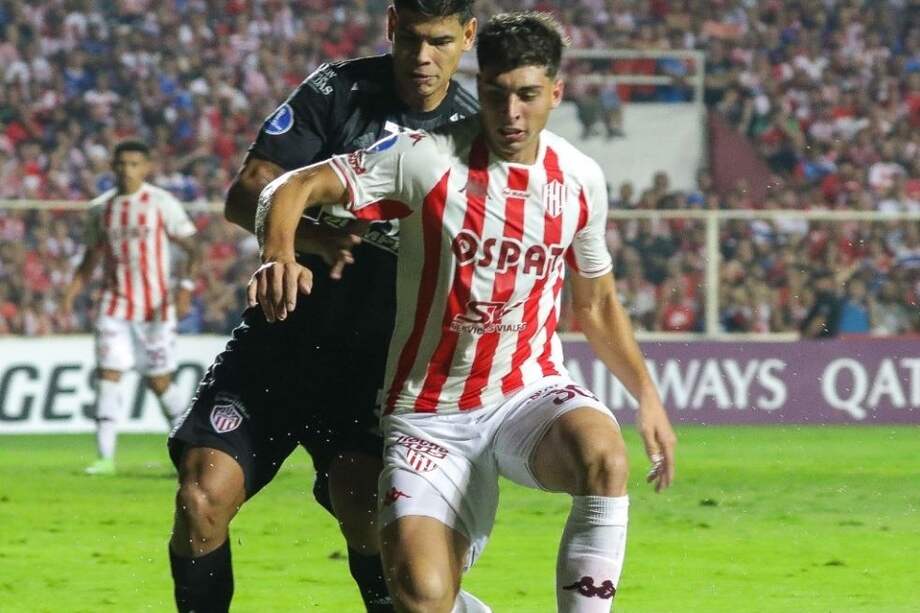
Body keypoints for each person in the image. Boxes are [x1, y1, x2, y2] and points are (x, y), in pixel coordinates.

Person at [253, 12, 677, 612]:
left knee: (605, 456)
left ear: (555, 93)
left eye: (528, 97)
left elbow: (597, 301)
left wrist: (647, 396)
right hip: (430, 414)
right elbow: (289, 187)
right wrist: (278, 253)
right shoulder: (422, 159)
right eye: (498, 95)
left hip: (524, 394)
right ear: (481, 88)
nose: (511, 115)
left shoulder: (580, 179)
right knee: (422, 598)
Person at [166, 2, 479, 611]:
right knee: (201, 497)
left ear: (468, 37)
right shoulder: (338, 89)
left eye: (439, 42)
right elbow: (245, 194)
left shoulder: (474, 135)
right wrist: (311, 237)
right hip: (279, 344)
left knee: (362, 510)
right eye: (410, 40)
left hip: (373, 365)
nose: (421, 58)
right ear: (391, 25)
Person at [60, 140, 200, 475]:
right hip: (115, 305)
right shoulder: (100, 209)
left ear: (147, 166)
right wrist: (71, 292)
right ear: (112, 165)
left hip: (155, 307)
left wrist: (184, 289)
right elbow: (91, 257)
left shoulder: (160, 202)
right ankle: (104, 457)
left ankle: (190, 451)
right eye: (121, 163)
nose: (127, 170)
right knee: (108, 376)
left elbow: (193, 249)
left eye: (134, 163)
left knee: (159, 381)